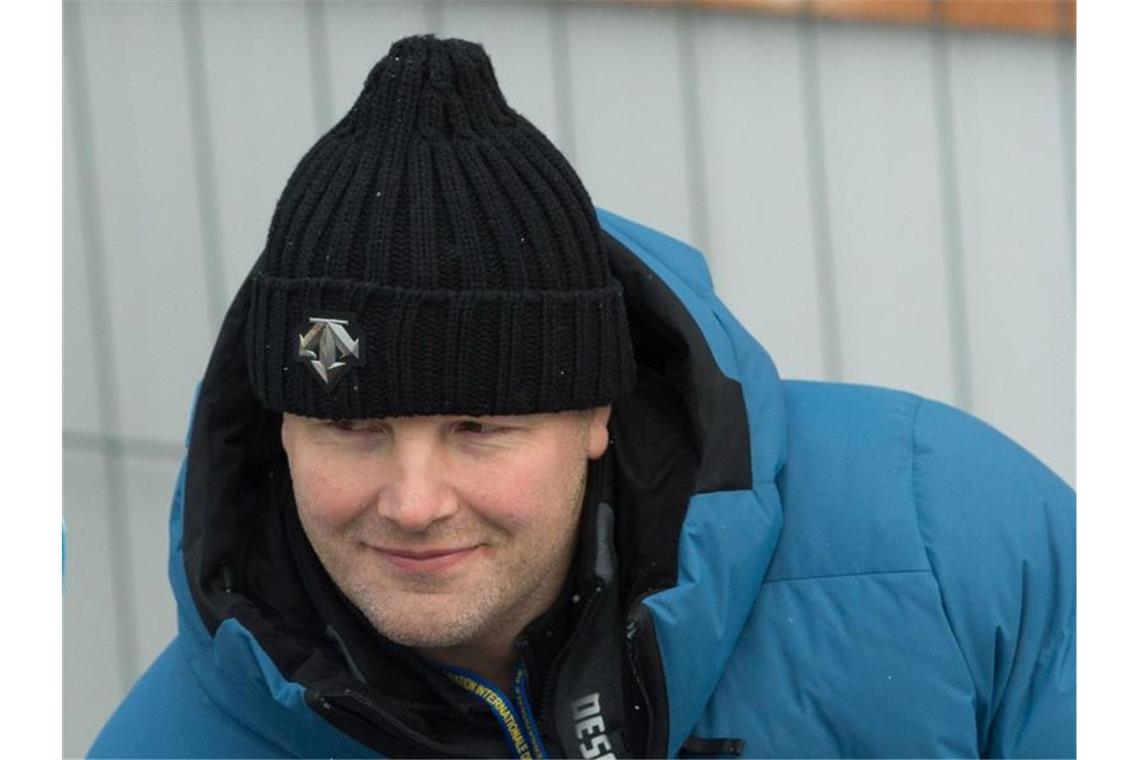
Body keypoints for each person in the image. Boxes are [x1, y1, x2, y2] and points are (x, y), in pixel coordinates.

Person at [89, 35, 1074, 759]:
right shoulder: (175, 741)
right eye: (353, 425)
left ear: (599, 410)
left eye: (480, 427)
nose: (415, 500)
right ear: (284, 429)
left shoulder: (955, 543)